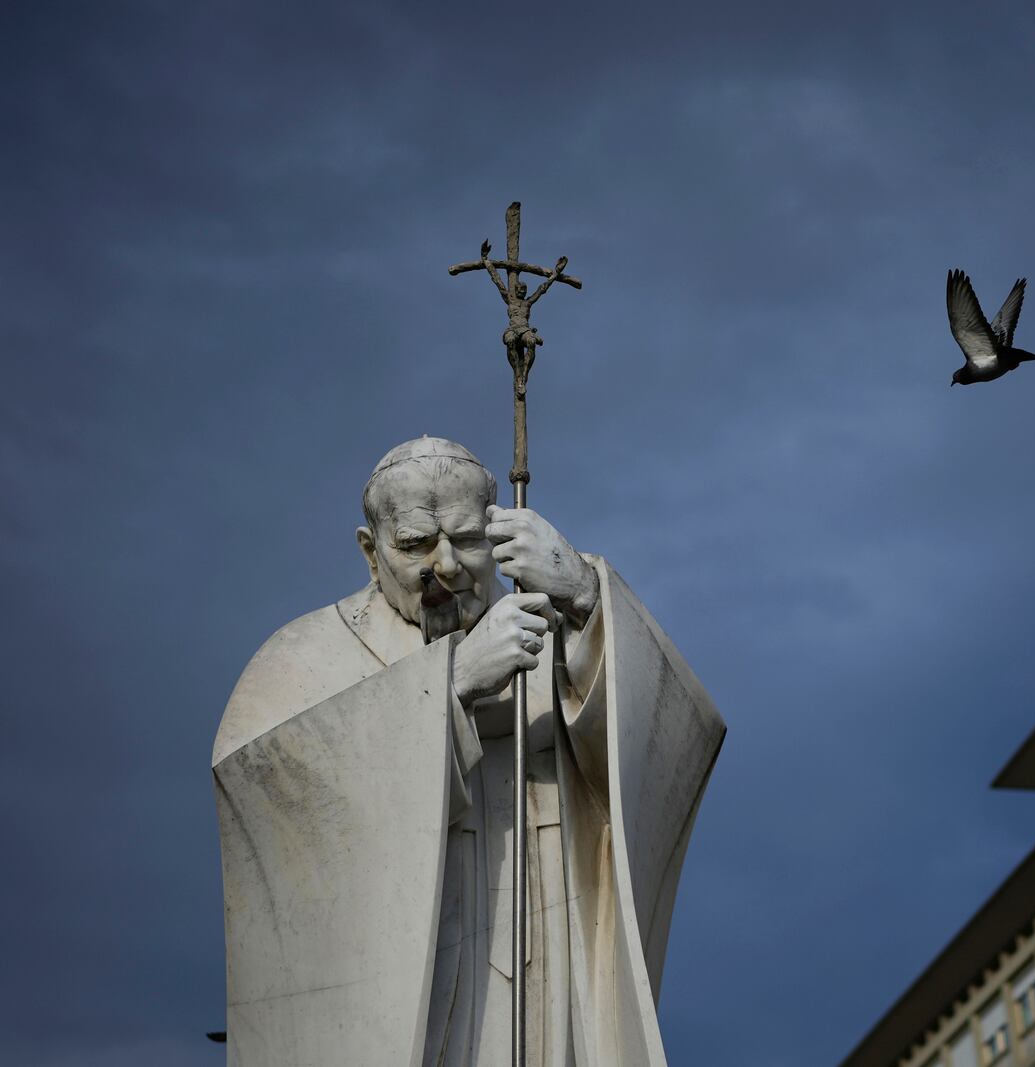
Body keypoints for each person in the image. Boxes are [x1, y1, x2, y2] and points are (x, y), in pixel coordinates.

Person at [213, 436, 724, 1066]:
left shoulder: (547, 638)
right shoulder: (304, 660)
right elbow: (269, 805)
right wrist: (448, 687)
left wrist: (588, 597)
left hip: (546, 982)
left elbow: (680, 741)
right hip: (401, 1004)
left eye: (468, 538)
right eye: (415, 545)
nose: (447, 564)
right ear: (371, 553)